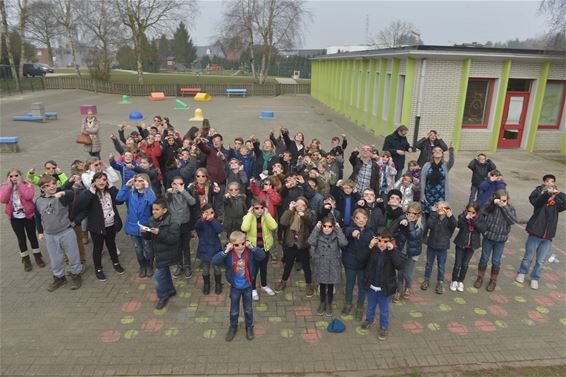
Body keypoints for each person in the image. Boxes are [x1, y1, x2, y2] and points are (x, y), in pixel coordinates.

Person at [212, 232, 266, 341]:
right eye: (236, 245)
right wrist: (226, 251)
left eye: (242, 244)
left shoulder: (249, 252)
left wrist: (252, 247)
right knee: (234, 310)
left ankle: (249, 327)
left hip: (247, 286)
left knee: (248, 309)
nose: (240, 247)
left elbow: (262, 256)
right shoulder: (229, 254)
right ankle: (233, 327)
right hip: (235, 287)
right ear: (231, 244)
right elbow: (215, 261)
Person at [516, 175, 565, 289]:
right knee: (528, 257)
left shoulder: (557, 200)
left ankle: (535, 278)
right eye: (547, 181)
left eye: (552, 182)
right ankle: (522, 272)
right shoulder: (538, 193)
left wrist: (558, 193)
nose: (550, 183)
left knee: (541, 261)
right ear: (544, 182)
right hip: (535, 232)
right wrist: (547, 194)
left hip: (548, 235)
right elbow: (537, 202)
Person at [358, 228, 407, 341]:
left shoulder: (392, 252)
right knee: (370, 306)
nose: (382, 244)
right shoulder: (372, 250)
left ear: (390, 241)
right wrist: (370, 246)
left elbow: (400, 265)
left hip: (385, 288)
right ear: (375, 240)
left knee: (384, 309)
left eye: (385, 241)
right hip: (371, 286)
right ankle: (369, 320)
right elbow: (360, 259)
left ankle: (384, 326)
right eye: (379, 240)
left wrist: (392, 250)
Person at [35, 176, 82, 291]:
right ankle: (59, 277)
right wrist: (40, 232)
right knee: (55, 258)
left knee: (73, 255)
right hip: (49, 235)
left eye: (53, 184)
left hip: (66, 232)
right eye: (47, 185)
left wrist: (63, 193)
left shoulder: (61, 197)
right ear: (42, 188)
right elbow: (37, 217)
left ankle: (76, 274)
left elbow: (73, 194)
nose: (51, 186)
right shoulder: (39, 201)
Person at [80, 172, 125, 281]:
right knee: (97, 248)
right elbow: (82, 205)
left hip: (111, 224)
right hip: (97, 227)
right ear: (94, 182)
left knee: (112, 245)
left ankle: (116, 263)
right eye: (99, 180)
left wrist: (112, 187)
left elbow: (120, 201)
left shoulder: (110, 191)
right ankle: (98, 268)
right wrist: (91, 192)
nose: (101, 182)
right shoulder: (89, 193)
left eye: (104, 180)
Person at [0, 169, 45, 271]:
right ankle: (26, 259)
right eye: (11, 176)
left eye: (16, 175)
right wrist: (9, 186)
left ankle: (38, 256)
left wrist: (20, 184)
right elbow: (3, 199)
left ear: (20, 175)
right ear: (8, 178)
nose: (14, 178)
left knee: (32, 236)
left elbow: (28, 196)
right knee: (21, 238)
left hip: (28, 215)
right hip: (15, 218)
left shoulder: (27, 183)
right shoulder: (5, 186)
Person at [474, 190, 517, 292]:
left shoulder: (510, 208)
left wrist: (504, 207)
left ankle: (493, 280)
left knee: (496, 261)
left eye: (505, 200)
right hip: (488, 237)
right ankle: (480, 277)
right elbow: (481, 212)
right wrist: (491, 203)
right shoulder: (491, 206)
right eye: (500, 200)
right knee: (484, 258)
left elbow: (512, 221)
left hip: (500, 240)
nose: (502, 202)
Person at [116, 174, 156, 278]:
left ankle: (149, 265)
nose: (137, 183)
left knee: (147, 247)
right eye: (136, 181)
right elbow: (118, 198)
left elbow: (153, 202)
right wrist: (126, 186)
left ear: (145, 182)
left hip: (145, 227)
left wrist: (147, 189)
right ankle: (142, 265)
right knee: (138, 248)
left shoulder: (148, 194)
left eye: (140, 181)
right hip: (133, 227)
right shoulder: (131, 193)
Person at [274, 197, 316, 296]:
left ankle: (309, 284)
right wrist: (289, 209)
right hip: (291, 244)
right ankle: (283, 282)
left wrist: (303, 215)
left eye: (303, 205)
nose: (300, 207)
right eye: (298, 204)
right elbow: (283, 222)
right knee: (288, 265)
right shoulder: (291, 213)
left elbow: (311, 222)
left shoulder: (309, 213)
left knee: (306, 266)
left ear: (306, 206)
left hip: (303, 245)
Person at [144, 199, 181, 309]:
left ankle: (162, 296)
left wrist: (159, 233)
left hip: (168, 253)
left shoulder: (173, 221)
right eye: (153, 209)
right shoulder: (151, 220)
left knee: (158, 278)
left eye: (157, 209)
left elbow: (173, 239)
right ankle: (170, 290)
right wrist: (145, 232)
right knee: (164, 272)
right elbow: (148, 237)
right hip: (158, 253)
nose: (154, 212)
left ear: (164, 210)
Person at [308, 217, 348, 316]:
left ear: (333, 227)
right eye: (324, 226)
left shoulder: (336, 235)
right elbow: (311, 241)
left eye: (330, 226)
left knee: (330, 285)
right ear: (321, 226)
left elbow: (343, 243)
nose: (327, 228)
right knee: (322, 285)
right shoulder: (318, 234)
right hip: (321, 264)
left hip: (332, 265)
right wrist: (316, 228)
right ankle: (322, 302)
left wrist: (338, 230)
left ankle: (329, 303)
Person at [241, 198, 278, 300]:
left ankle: (264, 285)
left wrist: (267, 215)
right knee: (253, 269)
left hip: (265, 248)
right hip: (253, 249)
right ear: (252, 209)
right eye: (256, 208)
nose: (259, 210)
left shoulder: (266, 217)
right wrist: (249, 214)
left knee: (264, 268)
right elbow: (244, 228)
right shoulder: (248, 217)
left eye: (262, 208)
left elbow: (274, 226)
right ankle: (252, 288)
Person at [343, 208, 374, 320]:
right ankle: (348, 303)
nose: (361, 220)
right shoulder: (349, 229)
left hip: (363, 265)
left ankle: (360, 306)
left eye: (364, 218)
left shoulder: (370, 232)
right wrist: (352, 232)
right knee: (349, 285)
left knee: (362, 287)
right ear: (354, 219)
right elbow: (345, 231)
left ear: (367, 219)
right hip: (350, 264)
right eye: (358, 218)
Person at [420, 201, 457, 294]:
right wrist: (432, 213)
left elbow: (454, 225)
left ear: (447, 210)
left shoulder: (449, 220)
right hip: (431, 245)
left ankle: (440, 282)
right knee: (429, 264)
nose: (439, 209)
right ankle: (426, 280)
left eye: (442, 208)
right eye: (438, 207)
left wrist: (451, 216)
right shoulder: (434, 217)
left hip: (442, 247)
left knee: (441, 266)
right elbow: (429, 225)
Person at [420, 144, 455, 240]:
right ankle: (424, 236)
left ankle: (433, 236)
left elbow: (452, 161)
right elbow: (422, 180)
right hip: (428, 195)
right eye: (436, 150)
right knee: (427, 215)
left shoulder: (445, 166)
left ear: (443, 154)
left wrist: (451, 150)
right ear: (432, 153)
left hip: (441, 196)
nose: (438, 152)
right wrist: (422, 195)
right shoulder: (427, 165)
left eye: (440, 151)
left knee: (438, 215)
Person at [450, 202, 487, 292]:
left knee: (465, 264)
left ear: (477, 213)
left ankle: (460, 281)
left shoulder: (480, 218)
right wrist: (464, 219)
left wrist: (473, 220)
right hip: (461, 243)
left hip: (471, 245)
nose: (470, 214)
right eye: (468, 211)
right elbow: (458, 225)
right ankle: (454, 280)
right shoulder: (463, 216)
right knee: (458, 264)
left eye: (473, 212)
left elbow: (483, 229)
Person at [166, 176, 196, 279]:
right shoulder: (170, 194)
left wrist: (183, 191)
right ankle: (179, 265)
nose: (178, 186)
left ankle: (187, 266)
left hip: (185, 223)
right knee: (177, 247)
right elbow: (166, 201)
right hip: (174, 224)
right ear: (172, 185)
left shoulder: (185, 193)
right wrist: (169, 192)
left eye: (181, 184)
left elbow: (192, 202)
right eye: (175, 184)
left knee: (186, 247)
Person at [396, 202, 423, 300]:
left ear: (418, 214)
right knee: (400, 273)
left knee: (407, 273)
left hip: (412, 253)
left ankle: (408, 287)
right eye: (409, 212)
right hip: (402, 251)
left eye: (414, 213)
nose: (411, 215)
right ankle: (399, 290)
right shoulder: (404, 218)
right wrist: (402, 219)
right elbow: (398, 220)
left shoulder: (421, 223)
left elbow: (413, 236)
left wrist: (410, 223)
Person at [195, 204, 224, 295]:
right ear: (202, 213)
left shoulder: (215, 221)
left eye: (211, 212)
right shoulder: (201, 222)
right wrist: (202, 219)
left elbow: (219, 229)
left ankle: (218, 284)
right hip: (204, 249)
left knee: (216, 268)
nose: (209, 214)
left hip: (215, 248)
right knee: (205, 269)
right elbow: (197, 227)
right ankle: (206, 284)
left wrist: (212, 220)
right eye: (206, 212)